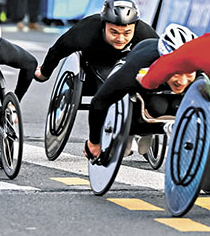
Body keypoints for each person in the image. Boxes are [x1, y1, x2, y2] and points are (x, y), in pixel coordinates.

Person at [84, 24, 198, 159]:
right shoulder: (137, 66)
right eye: (176, 73)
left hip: (167, 93)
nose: (182, 81)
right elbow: (99, 101)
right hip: (143, 85)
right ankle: (133, 132)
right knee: (157, 107)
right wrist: (94, 142)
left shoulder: (203, 68)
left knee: (176, 106)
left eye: (189, 72)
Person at [34, 0, 159, 105]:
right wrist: (44, 73)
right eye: (114, 32)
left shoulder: (145, 34)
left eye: (127, 33)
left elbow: (162, 58)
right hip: (96, 67)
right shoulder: (87, 29)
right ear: (103, 25)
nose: (121, 38)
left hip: (129, 67)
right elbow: (57, 50)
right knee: (104, 88)